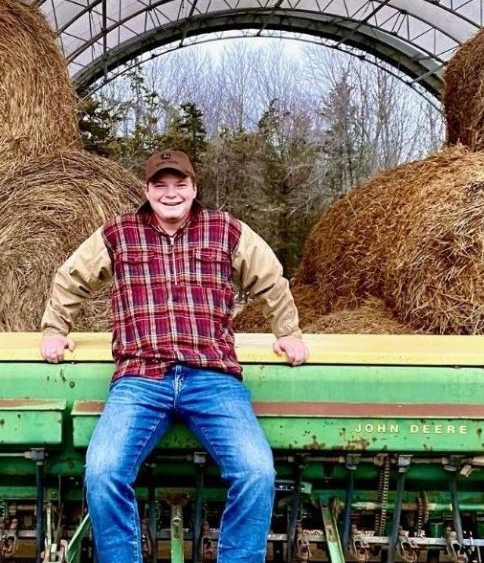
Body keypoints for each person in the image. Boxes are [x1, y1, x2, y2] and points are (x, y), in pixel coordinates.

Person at [39, 149, 309, 563]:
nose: (170, 193)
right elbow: (70, 277)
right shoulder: (117, 234)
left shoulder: (226, 230)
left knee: (257, 473)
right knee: (103, 471)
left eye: (179, 184)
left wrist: (287, 332)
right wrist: (56, 330)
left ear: (194, 188)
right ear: (146, 190)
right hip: (141, 377)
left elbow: (270, 277)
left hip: (212, 377)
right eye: (160, 185)